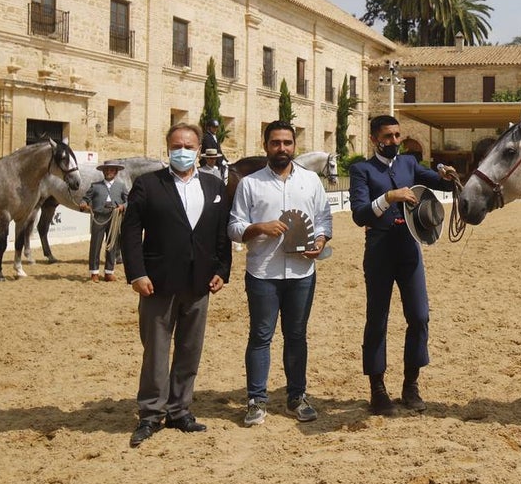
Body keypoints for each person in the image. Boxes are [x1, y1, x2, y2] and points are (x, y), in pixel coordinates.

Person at [120, 122, 232, 448]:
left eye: (189, 146)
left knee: (189, 349)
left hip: (199, 283)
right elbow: (131, 232)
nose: (182, 151)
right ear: (168, 148)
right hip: (157, 282)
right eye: (177, 146)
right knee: (156, 351)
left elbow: (221, 233)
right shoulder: (148, 184)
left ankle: (180, 410)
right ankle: (150, 413)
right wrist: (137, 274)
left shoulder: (213, 185)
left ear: (198, 150)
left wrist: (222, 269)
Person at [349, 115, 458, 415]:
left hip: (410, 249)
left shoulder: (409, 163)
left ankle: (411, 385)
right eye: (388, 136)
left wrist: (447, 174)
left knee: (420, 317)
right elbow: (359, 214)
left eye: (397, 135)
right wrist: (388, 197)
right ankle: (377, 390)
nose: (394, 141)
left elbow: (438, 182)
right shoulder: (361, 170)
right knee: (377, 320)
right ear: (374, 139)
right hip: (379, 250)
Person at [228, 120, 332, 427]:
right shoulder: (250, 184)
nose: (282, 148)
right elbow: (234, 227)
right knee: (261, 336)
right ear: (265, 146)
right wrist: (258, 227)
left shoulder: (311, 181)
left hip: (302, 272)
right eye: (275, 143)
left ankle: (296, 397)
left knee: (296, 336)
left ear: (294, 146)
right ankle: (256, 400)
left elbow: (324, 219)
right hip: (263, 273)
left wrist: (321, 241)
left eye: (287, 143)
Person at [79, 160, 128, 282]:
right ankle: (94, 272)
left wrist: (123, 207)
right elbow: (85, 198)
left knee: (112, 245)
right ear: (103, 172)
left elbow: (128, 201)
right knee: (95, 244)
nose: (108, 172)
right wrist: (83, 204)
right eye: (106, 170)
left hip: (114, 217)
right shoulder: (95, 186)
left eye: (111, 170)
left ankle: (109, 272)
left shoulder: (121, 186)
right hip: (98, 217)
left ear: (115, 172)